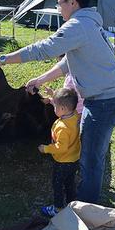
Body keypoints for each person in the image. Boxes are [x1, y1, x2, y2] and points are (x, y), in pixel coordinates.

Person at [0, 0, 115, 204]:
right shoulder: (90, 24)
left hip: (104, 102)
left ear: (73, 3)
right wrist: (41, 79)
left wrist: (2, 59)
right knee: (90, 154)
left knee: (90, 159)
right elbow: (68, 63)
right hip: (104, 98)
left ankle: (86, 210)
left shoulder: (78, 25)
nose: (58, 8)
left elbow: (43, 49)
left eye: (59, 3)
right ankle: (85, 199)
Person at [38, 87, 81, 217]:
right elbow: (62, 105)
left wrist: (46, 149)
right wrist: (53, 97)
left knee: (57, 185)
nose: (53, 108)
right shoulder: (75, 116)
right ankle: (71, 204)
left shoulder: (63, 128)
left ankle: (57, 208)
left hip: (63, 161)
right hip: (74, 159)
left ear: (62, 109)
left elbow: (61, 147)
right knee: (70, 182)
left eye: (55, 106)